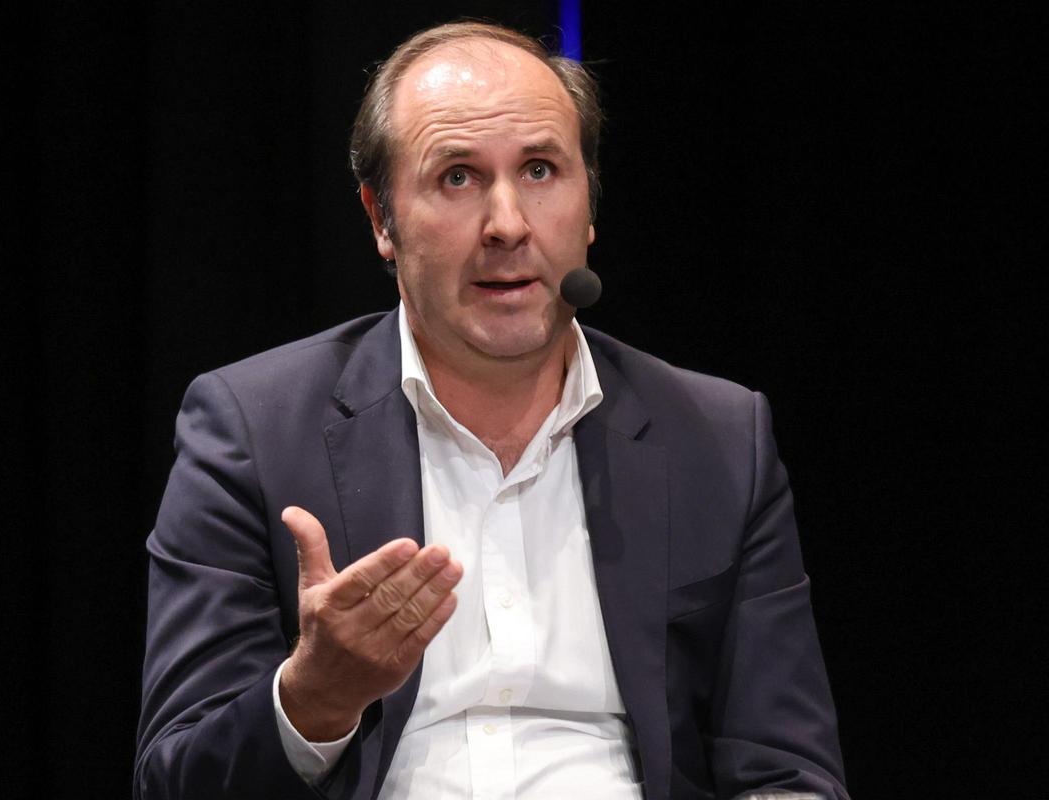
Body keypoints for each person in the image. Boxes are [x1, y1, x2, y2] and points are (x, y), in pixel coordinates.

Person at [134, 21, 849, 800]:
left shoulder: (717, 438)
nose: (508, 224)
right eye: (458, 178)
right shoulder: (252, 430)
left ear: (590, 205)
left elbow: (787, 772)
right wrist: (316, 698)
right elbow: (175, 781)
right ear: (381, 219)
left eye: (541, 170)